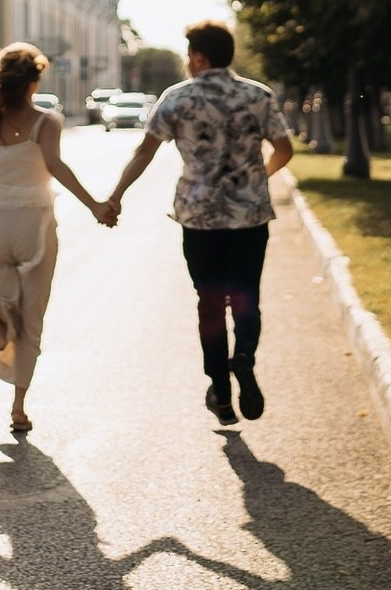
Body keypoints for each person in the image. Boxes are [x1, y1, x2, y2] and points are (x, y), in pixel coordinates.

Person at [107, 21, 292, 425]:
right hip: (249, 217)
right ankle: (244, 357)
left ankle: (221, 395)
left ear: (200, 57)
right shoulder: (258, 95)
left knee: (209, 303)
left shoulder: (178, 98)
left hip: (200, 220)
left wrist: (116, 195)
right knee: (246, 296)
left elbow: (144, 152)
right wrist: (258, 179)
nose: (188, 61)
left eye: (190, 54)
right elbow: (284, 149)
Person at [0, 42, 115, 437]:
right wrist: (95, 206)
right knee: (31, 320)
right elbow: (56, 167)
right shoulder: (46, 123)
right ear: (32, 83)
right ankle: (18, 409)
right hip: (35, 227)